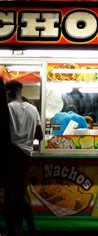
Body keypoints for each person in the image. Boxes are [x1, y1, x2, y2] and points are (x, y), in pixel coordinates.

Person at [5, 80, 43, 236]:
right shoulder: (33, 109)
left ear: (9, 92)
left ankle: (31, 228)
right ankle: (14, 229)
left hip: (12, 154)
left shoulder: (7, 108)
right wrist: (26, 136)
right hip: (26, 155)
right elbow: (39, 136)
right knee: (15, 194)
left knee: (16, 195)